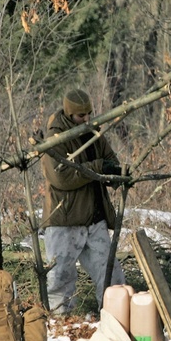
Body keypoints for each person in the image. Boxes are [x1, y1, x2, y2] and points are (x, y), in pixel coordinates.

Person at [41, 89, 126, 314]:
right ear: (69, 115)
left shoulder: (93, 133)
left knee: (111, 276)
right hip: (65, 220)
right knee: (60, 279)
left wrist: (116, 174)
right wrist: (98, 168)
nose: (87, 119)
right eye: (81, 116)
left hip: (94, 219)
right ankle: (60, 326)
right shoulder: (55, 140)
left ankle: (115, 319)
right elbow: (62, 178)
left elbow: (109, 159)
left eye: (89, 113)